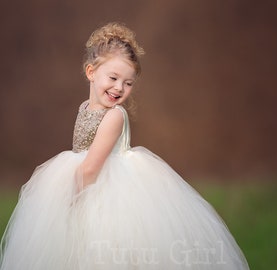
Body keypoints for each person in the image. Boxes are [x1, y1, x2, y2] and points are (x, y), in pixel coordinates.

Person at [0, 22, 249, 270]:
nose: (119, 88)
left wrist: (66, 204)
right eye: (113, 78)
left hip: (104, 193)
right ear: (91, 72)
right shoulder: (84, 108)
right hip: (85, 183)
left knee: (108, 252)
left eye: (128, 83)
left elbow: (90, 169)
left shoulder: (115, 116)